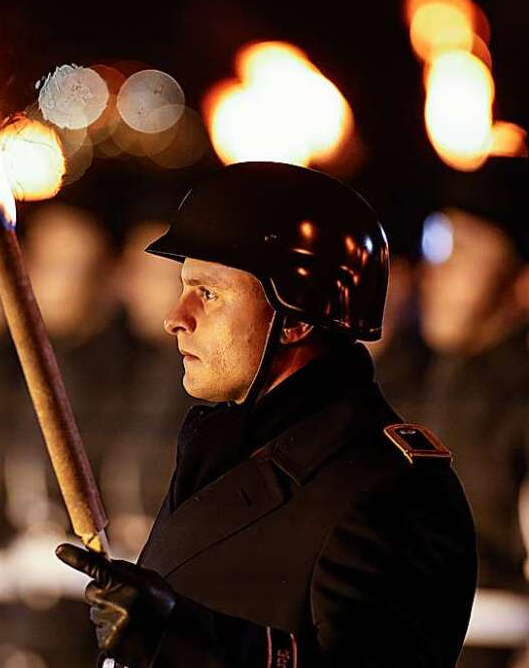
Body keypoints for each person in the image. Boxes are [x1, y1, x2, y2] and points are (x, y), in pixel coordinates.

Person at [56, 161, 477, 666]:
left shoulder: (394, 490)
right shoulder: (219, 448)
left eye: (208, 294)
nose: (176, 317)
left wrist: (183, 637)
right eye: (184, 288)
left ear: (296, 317)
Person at [412, 160, 529, 668]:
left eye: (463, 252)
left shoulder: (520, 406)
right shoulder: (432, 381)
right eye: (437, 247)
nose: (435, 273)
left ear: (521, 282)